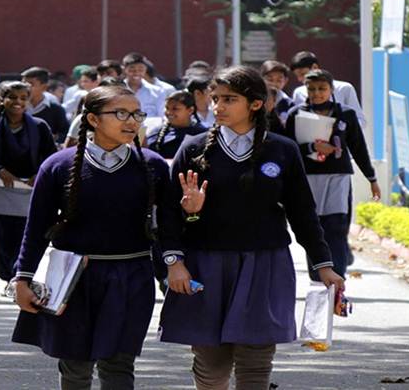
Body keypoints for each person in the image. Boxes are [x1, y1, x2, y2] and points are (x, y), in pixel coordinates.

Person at [159, 65, 344, 390]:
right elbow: (169, 216)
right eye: (215, 99)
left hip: (265, 264)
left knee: (256, 362)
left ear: (256, 104)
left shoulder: (282, 150)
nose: (218, 106)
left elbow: (303, 213)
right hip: (207, 264)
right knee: (210, 363)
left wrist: (324, 265)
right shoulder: (193, 149)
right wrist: (175, 262)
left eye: (229, 99)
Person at [11, 85, 177, 390]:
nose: (132, 121)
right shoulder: (58, 166)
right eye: (121, 113)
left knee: (119, 364)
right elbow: (35, 229)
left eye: (137, 114)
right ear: (93, 119)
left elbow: (168, 227)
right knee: (75, 364)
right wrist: (22, 278)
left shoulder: (152, 165)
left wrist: (173, 266)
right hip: (74, 277)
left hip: (132, 276)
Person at [285, 69, 380, 281]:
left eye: (322, 88)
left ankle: (338, 273)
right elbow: (288, 149)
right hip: (308, 177)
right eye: (312, 89)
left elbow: (358, 147)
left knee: (336, 224)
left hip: (338, 175)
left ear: (331, 89)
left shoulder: (345, 114)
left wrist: (371, 178)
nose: (317, 93)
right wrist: (311, 147)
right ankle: (318, 271)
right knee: (313, 225)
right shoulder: (296, 114)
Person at [0, 81, 57, 286]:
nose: (18, 102)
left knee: (26, 235)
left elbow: (51, 157)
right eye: (12, 97)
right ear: (1, 99)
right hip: (1, 189)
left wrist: (38, 174)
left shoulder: (40, 126)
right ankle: (7, 276)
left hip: (31, 189)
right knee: (3, 236)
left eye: (23, 98)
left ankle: (20, 275)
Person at [289, 51, 365, 127]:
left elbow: (359, 120)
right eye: (311, 89)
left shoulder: (344, 88)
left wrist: (342, 128)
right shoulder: (298, 92)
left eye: (302, 74)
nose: (300, 79)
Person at [145, 90, 208, 159]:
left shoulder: (202, 134)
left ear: (190, 110)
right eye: (167, 108)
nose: (169, 112)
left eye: (175, 109)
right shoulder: (155, 133)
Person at [21, 66, 70, 144]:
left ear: (44, 87)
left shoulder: (55, 109)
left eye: (31, 84)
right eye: (23, 84)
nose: (26, 88)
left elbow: (64, 133)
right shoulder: (17, 107)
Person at [122, 52, 166, 120]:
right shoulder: (117, 90)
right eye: (132, 69)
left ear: (145, 70)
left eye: (140, 69)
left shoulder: (157, 92)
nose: (136, 73)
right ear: (124, 69)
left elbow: (162, 116)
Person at [260, 60, 294, 125]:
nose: (274, 84)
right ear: (261, 79)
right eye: (270, 80)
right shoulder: (254, 100)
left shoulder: (289, 104)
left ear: (285, 81)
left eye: (279, 80)